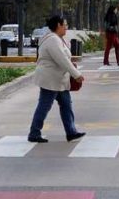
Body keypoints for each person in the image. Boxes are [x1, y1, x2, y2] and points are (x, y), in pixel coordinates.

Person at [28, 15, 85, 143]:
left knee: (66, 105)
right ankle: (34, 133)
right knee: (44, 106)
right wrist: (76, 74)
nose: (66, 27)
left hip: (59, 80)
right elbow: (62, 60)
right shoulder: (53, 40)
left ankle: (71, 132)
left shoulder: (57, 39)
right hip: (50, 80)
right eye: (65, 25)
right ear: (59, 25)